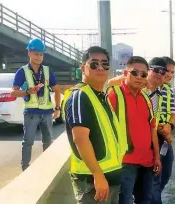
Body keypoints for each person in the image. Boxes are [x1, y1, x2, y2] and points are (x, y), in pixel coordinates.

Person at [64, 46, 128, 204]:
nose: (100, 67)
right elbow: (80, 139)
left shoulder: (101, 96)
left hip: (110, 178)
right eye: (94, 64)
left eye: (105, 64)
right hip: (93, 182)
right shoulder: (80, 96)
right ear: (83, 68)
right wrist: (97, 175)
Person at [107, 56, 162, 204]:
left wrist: (157, 156)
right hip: (125, 163)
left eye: (143, 74)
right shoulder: (114, 95)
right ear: (125, 73)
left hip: (147, 162)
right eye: (134, 72)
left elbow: (152, 129)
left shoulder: (146, 98)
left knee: (145, 200)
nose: (139, 77)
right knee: (124, 201)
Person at [11, 38, 61, 171]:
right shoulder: (22, 71)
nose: (39, 57)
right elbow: (13, 92)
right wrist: (28, 91)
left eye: (41, 54)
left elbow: (56, 89)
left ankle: (48, 167)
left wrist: (57, 108)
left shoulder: (47, 70)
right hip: (31, 112)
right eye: (36, 54)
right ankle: (25, 168)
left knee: (48, 141)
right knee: (28, 142)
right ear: (29, 53)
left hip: (46, 112)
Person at [151, 57, 175, 204]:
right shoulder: (148, 87)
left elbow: (173, 114)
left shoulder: (168, 90)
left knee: (165, 174)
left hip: (165, 140)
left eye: (172, 72)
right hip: (152, 138)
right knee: (155, 177)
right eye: (167, 71)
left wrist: (169, 127)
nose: (169, 75)